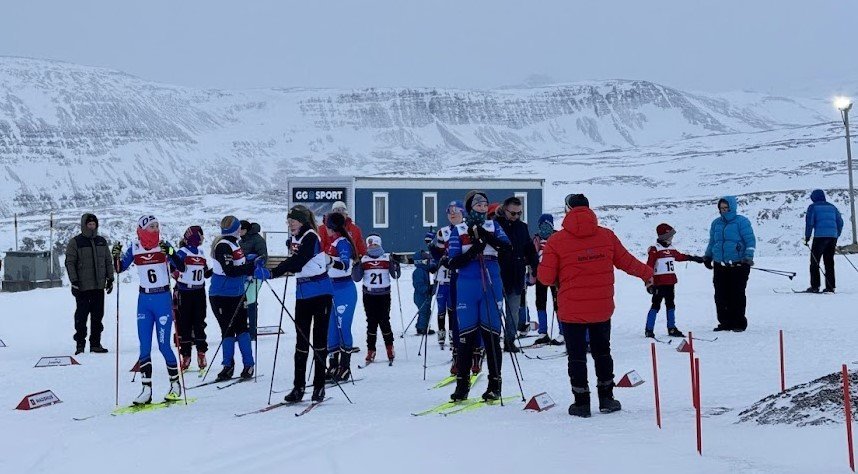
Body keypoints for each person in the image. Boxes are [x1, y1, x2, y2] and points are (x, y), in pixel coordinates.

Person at [537, 194, 653, 418]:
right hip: (601, 307)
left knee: (576, 356)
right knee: (602, 352)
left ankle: (581, 403)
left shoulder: (556, 241)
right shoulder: (606, 236)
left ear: (568, 210)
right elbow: (627, 261)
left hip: (571, 310)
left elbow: (546, 279)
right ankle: (607, 399)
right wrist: (648, 274)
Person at [254, 205, 333, 403]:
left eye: (293, 221)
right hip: (303, 293)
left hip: (321, 292)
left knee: (319, 340)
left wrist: (272, 272)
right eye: (288, 221)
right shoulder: (297, 237)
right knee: (301, 341)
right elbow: (295, 260)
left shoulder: (311, 237)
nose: (290, 224)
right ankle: (298, 387)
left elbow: (297, 262)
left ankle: (319, 386)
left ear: (302, 221)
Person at [446, 190, 511, 402]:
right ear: (469, 207)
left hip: (491, 284)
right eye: (478, 204)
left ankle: (495, 385)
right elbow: (453, 262)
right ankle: (462, 385)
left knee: (492, 336)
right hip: (466, 285)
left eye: (485, 204)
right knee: (465, 337)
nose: (482, 208)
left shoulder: (494, 225)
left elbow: (507, 247)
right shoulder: (459, 230)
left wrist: (485, 236)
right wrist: (474, 250)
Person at [113, 215, 184, 405]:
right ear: (142, 229)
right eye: (151, 226)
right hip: (144, 300)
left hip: (162, 299)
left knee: (163, 346)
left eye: (157, 226)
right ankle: (146, 390)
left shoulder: (163, 245)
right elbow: (119, 268)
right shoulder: (135, 247)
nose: (155, 229)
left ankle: (175, 385)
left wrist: (172, 253)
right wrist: (115, 256)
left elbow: (181, 266)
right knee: (144, 346)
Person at [208, 216, 258, 382]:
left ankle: (248, 364)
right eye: (239, 228)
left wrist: (249, 262)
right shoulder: (223, 245)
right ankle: (227, 366)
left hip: (236, 293)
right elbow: (229, 270)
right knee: (228, 329)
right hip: (222, 294)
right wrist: (249, 267)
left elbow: (235, 265)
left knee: (242, 328)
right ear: (235, 229)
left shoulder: (234, 244)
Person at [703, 196, 756, 332]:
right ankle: (725, 322)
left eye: (726, 208)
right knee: (720, 295)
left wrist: (748, 258)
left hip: (739, 265)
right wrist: (708, 256)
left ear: (732, 207)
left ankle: (738, 323)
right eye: (721, 208)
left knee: (736, 294)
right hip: (720, 265)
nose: (724, 211)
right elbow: (712, 242)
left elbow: (750, 241)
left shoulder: (742, 222)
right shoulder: (716, 223)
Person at [494, 197, 539, 352]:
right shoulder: (495, 225)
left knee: (513, 312)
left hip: (517, 275)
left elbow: (529, 248)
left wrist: (535, 265)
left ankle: (509, 340)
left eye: (519, 213)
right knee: (494, 311)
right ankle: (491, 341)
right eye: (513, 213)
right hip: (498, 275)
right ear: (505, 210)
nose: (516, 216)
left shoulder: (522, 227)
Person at [65, 213, 114, 354]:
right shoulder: (75, 242)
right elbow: (70, 263)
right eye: (89, 224)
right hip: (82, 287)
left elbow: (107, 261)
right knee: (81, 317)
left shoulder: (101, 242)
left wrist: (110, 279)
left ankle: (95, 344)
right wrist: (74, 282)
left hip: (99, 286)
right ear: (84, 225)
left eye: (94, 224)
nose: (92, 227)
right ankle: (80, 344)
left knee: (98, 316)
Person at [645, 223, 704, 338]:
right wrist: (648, 282)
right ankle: (649, 329)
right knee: (656, 305)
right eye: (670, 236)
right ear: (664, 236)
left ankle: (671, 328)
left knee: (671, 304)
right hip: (659, 283)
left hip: (670, 282)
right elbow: (649, 266)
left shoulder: (671, 249)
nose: (672, 238)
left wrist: (694, 258)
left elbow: (680, 257)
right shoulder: (655, 249)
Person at [353, 234, 400, 364]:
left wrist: (396, 263)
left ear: (379, 244)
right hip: (369, 295)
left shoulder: (386, 258)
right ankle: (371, 350)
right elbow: (356, 278)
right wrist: (356, 265)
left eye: (375, 244)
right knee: (371, 323)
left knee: (385, 321)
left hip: (384, 294)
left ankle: (390, 348)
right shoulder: (364, 259)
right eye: (370, 245)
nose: (372, 247)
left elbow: (395, 275)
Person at [323, 212, 359, 382]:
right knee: (331, 329)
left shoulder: (343, 243)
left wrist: (329, 261)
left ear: (332, 227)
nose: (325, 228)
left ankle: (345, 367)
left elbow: (345, 266)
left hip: (344, 289)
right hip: (332, 289)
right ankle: (333, 365)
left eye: (326, 225)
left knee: (343, 327)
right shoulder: (334, 242)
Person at [172, 226, 212, 371]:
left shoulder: (201, 252)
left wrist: (215, 269)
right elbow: (173, 266)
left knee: (199, 323)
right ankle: (186, 355)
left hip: (199, 292)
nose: (203, 238)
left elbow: (205, 272)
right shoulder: (183, 252)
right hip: (185, 292)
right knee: (185, 325)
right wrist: (175, 273)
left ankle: (201, 353)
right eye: (201, 236)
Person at [804, 189, 843, 293]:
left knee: (814, 261)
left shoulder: (813, 207)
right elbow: (840, 222)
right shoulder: (832, 207)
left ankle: (815, 286)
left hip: (820, 237)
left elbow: (809, 222)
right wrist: (836, 234)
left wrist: (807, 237)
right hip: (832, 237)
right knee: (829, 261)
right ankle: (830, 286)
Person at [531, 213, 562, 346]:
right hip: (540, 275)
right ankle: (543, 332)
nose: (544, 229)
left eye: (547, 226)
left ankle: (563, 332)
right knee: (540, 301)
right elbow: (532, 255)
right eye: (542, 226)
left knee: (558, 303)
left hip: (555, 276)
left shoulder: (558, 238)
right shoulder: (536, 239)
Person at [239, 220, 268, 340]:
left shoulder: (257, 239)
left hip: (254, 276)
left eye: (240, 229)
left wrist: (255, 264)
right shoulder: (241, 241)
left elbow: (263, 256)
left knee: (251, 301)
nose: (238, 231)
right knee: (242, 302)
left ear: (246, 229)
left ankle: (252, 332)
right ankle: (244, 331)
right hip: (243, 275)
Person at [413, 246, 436, 335]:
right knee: (423, 312)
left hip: (425, 295)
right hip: (420, 296)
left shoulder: (424, 270)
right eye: (426, 260)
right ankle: (421, 328)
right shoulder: (419, 271)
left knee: (426, 311)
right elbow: (418, 285)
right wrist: (428, 289)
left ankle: (423, 326)